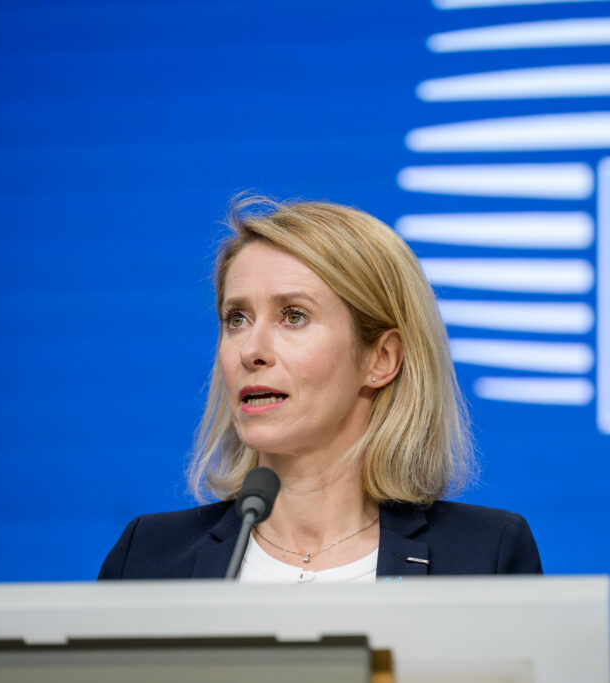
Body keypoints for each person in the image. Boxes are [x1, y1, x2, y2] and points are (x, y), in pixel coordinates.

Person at [99, 196, 541, 582]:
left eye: (293, 316)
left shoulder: (485, 556)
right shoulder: (148, 558)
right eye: (237, 319)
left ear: (381, 359)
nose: (251, 350)